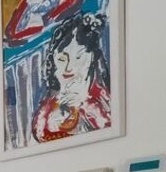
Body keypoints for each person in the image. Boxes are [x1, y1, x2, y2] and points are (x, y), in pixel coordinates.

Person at [32, 13, 110, 142]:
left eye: (78, 58)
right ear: (53, 59)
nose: (68, 68)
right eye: (62, 59)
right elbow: (40, 133)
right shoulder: (50, 102)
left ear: (91, 57)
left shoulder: (100, 101)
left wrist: (84, 105)